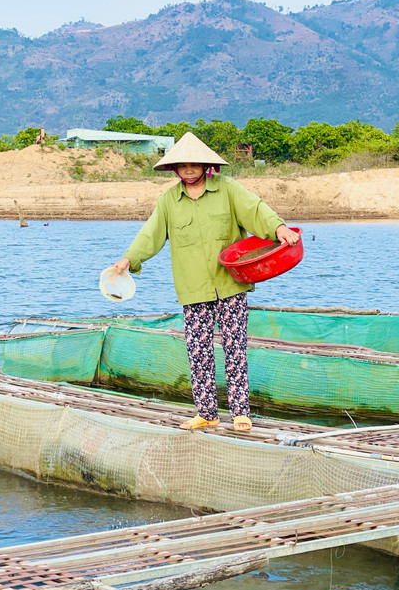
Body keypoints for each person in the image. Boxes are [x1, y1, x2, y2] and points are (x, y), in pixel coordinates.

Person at [114, 132, 299, 432]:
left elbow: (255, 210)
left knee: (235, 347)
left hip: (230, 285)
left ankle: (241, 412)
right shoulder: (169, 201)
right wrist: (128, 259)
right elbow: (151, 235)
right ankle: (207, 412)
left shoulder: (227, 189)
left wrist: (278, 228)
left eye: (194, 164)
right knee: (198, 351)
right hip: (193, 289)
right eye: (182, 165)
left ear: (205, 165)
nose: (189, 170)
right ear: (174, 169)